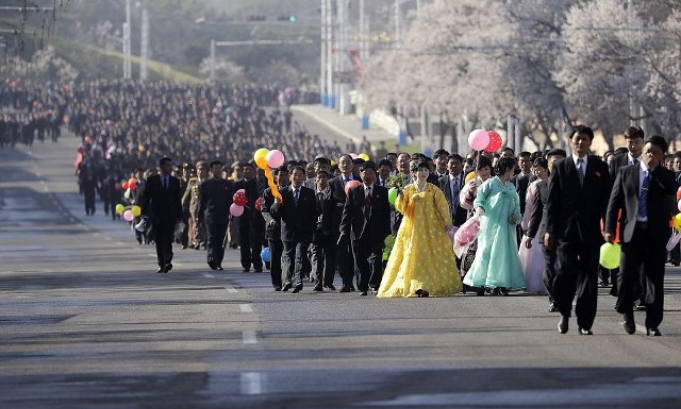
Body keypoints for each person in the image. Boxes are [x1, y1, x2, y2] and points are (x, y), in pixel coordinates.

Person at [605, 135, 678, 336]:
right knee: (626, 276)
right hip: (632, 233)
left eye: (655, 153)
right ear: (642, 153)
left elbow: (672, 189)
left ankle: (653, 323)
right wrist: (609, 228)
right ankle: (627, 313)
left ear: (662, 156)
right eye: (648, 152)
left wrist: (656, 172)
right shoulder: (626, 173)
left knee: (654, 280)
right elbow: (614, 201)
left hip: (656, 235)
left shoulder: (666, 176)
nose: (650, 156)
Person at [545, 125, 611, 335]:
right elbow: (553, 202)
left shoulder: (599, 166)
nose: (580, 143)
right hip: (566, 232)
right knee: (564, 273)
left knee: (589, 279)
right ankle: (564, 312)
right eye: (577, 139)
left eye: (584, 139)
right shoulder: (560, 167)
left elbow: (607, 200)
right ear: (570, 141)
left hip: (592, 232)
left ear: (590, 142)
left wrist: (607, 227)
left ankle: (585, 323)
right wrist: (549, 230)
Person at [378, 159, 463, 298]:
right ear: (414, 173)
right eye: (420, 170)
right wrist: (400, 198)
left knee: (431, 254)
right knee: (412, 255)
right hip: (412, 227)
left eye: (426, 170)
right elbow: (402, 208)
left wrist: (447, 223)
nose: (423, 173)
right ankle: (415, 284)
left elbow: (442, 206)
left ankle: (429, 284)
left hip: (431, 227)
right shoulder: (408, 189)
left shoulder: (433, 189)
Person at [463, 157, 526, 295]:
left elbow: (516, 204)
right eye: (512, 169)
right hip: (490, 225)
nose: (513, 172)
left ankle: (502, 283)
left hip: (506, 227)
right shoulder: (490, 184)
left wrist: (515, 215)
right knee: (487, 253)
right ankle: (483, 282)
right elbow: (479, 199)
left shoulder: (510, 186)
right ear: (507, 169)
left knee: (504, 254)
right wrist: (479, 208)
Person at [340, 162, 392, 295]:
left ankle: (374, 284)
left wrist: (387, 232)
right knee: (360, 261)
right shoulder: (354, 191)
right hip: (358, 233)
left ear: (375, 175)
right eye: (365, 173)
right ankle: (362, 286)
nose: (368, 176)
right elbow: (347, 212)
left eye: (370, 173)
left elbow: (386, 213)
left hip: (376, 232)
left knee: (376, 259)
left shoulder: (382, 191)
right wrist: (344, 231)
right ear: (360, 174)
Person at [270, 166, 318, 293]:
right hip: (288, 231)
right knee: (288, 257)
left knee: (300, 254)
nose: (297, 178)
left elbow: (315, 212)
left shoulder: (310, 193)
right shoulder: (283, 192)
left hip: (304, 231)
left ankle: (298, 281)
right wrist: (276, 203)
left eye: (300, 175)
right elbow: (275, 213)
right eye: (295, 175)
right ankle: (286, 281)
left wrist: (312, 228)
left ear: (303, 177)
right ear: (290, 176)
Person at [140, 157, 183, 274]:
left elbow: (177, 200)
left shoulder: (175, 181)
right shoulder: (152, 180)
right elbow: (146, 197)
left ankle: (168, 259)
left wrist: (180, 217)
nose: (170, 168)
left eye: (171, 166)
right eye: (168, 166)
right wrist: (143, 213)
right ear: (162, 167)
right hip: (156, 215)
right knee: (159, 240)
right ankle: (161, 263)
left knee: (168, 239)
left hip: (170, 215)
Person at [328, 154, 359, 291]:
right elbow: (328, 204)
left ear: (352, 164)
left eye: (348, 162)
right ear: (338, 165)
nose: (345, 165)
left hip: (356, 222)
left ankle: (358, 281)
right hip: (338, 222)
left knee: (355, 252)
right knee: (341, 253)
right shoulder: (333, 182)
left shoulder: (359, 180)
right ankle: (346, 282)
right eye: (342, 163)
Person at [519, 158, 549, 294]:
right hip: (536, 224)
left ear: (546, 168)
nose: (537, 172)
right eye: (534, 169)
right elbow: (529, 207)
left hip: (549, 223)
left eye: (539, 169)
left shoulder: (554, 182)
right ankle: (535, 283)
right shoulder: (533, 185)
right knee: (535, 254)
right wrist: (526, 225)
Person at [197, 161, 234, 271]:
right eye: (215, 168)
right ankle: (211, 259)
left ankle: (218, 262)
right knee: (211, 239)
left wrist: (232, 214)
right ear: (211, 170)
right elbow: (201, 201)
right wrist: (199, 215)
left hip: (223, 216)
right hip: (210, 216)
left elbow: (232, 201)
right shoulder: (206, 184)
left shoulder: (228, 184)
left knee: (221, 240)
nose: (217, 170)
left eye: (219, 168)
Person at [261, 166, 289, 291]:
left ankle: (288, 280)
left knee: (289, 256)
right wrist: (270, 220)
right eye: (278, 175)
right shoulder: (268, 192)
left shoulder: (292, 191)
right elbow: (264, 210)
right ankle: (277, 283)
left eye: (283, 175)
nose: (281, 177)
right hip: (274, 229)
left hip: (289, 229)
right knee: (275, 258)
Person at [311, 170, 337, 291]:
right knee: (317, 256)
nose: (321, 180)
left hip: (329, 230)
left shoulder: (333, 195)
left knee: (330, 257)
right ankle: (318, 282)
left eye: (324, 177)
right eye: (319, 177)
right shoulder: (310, 195)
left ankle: (328, 281)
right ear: (315, 180)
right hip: (315, 231)